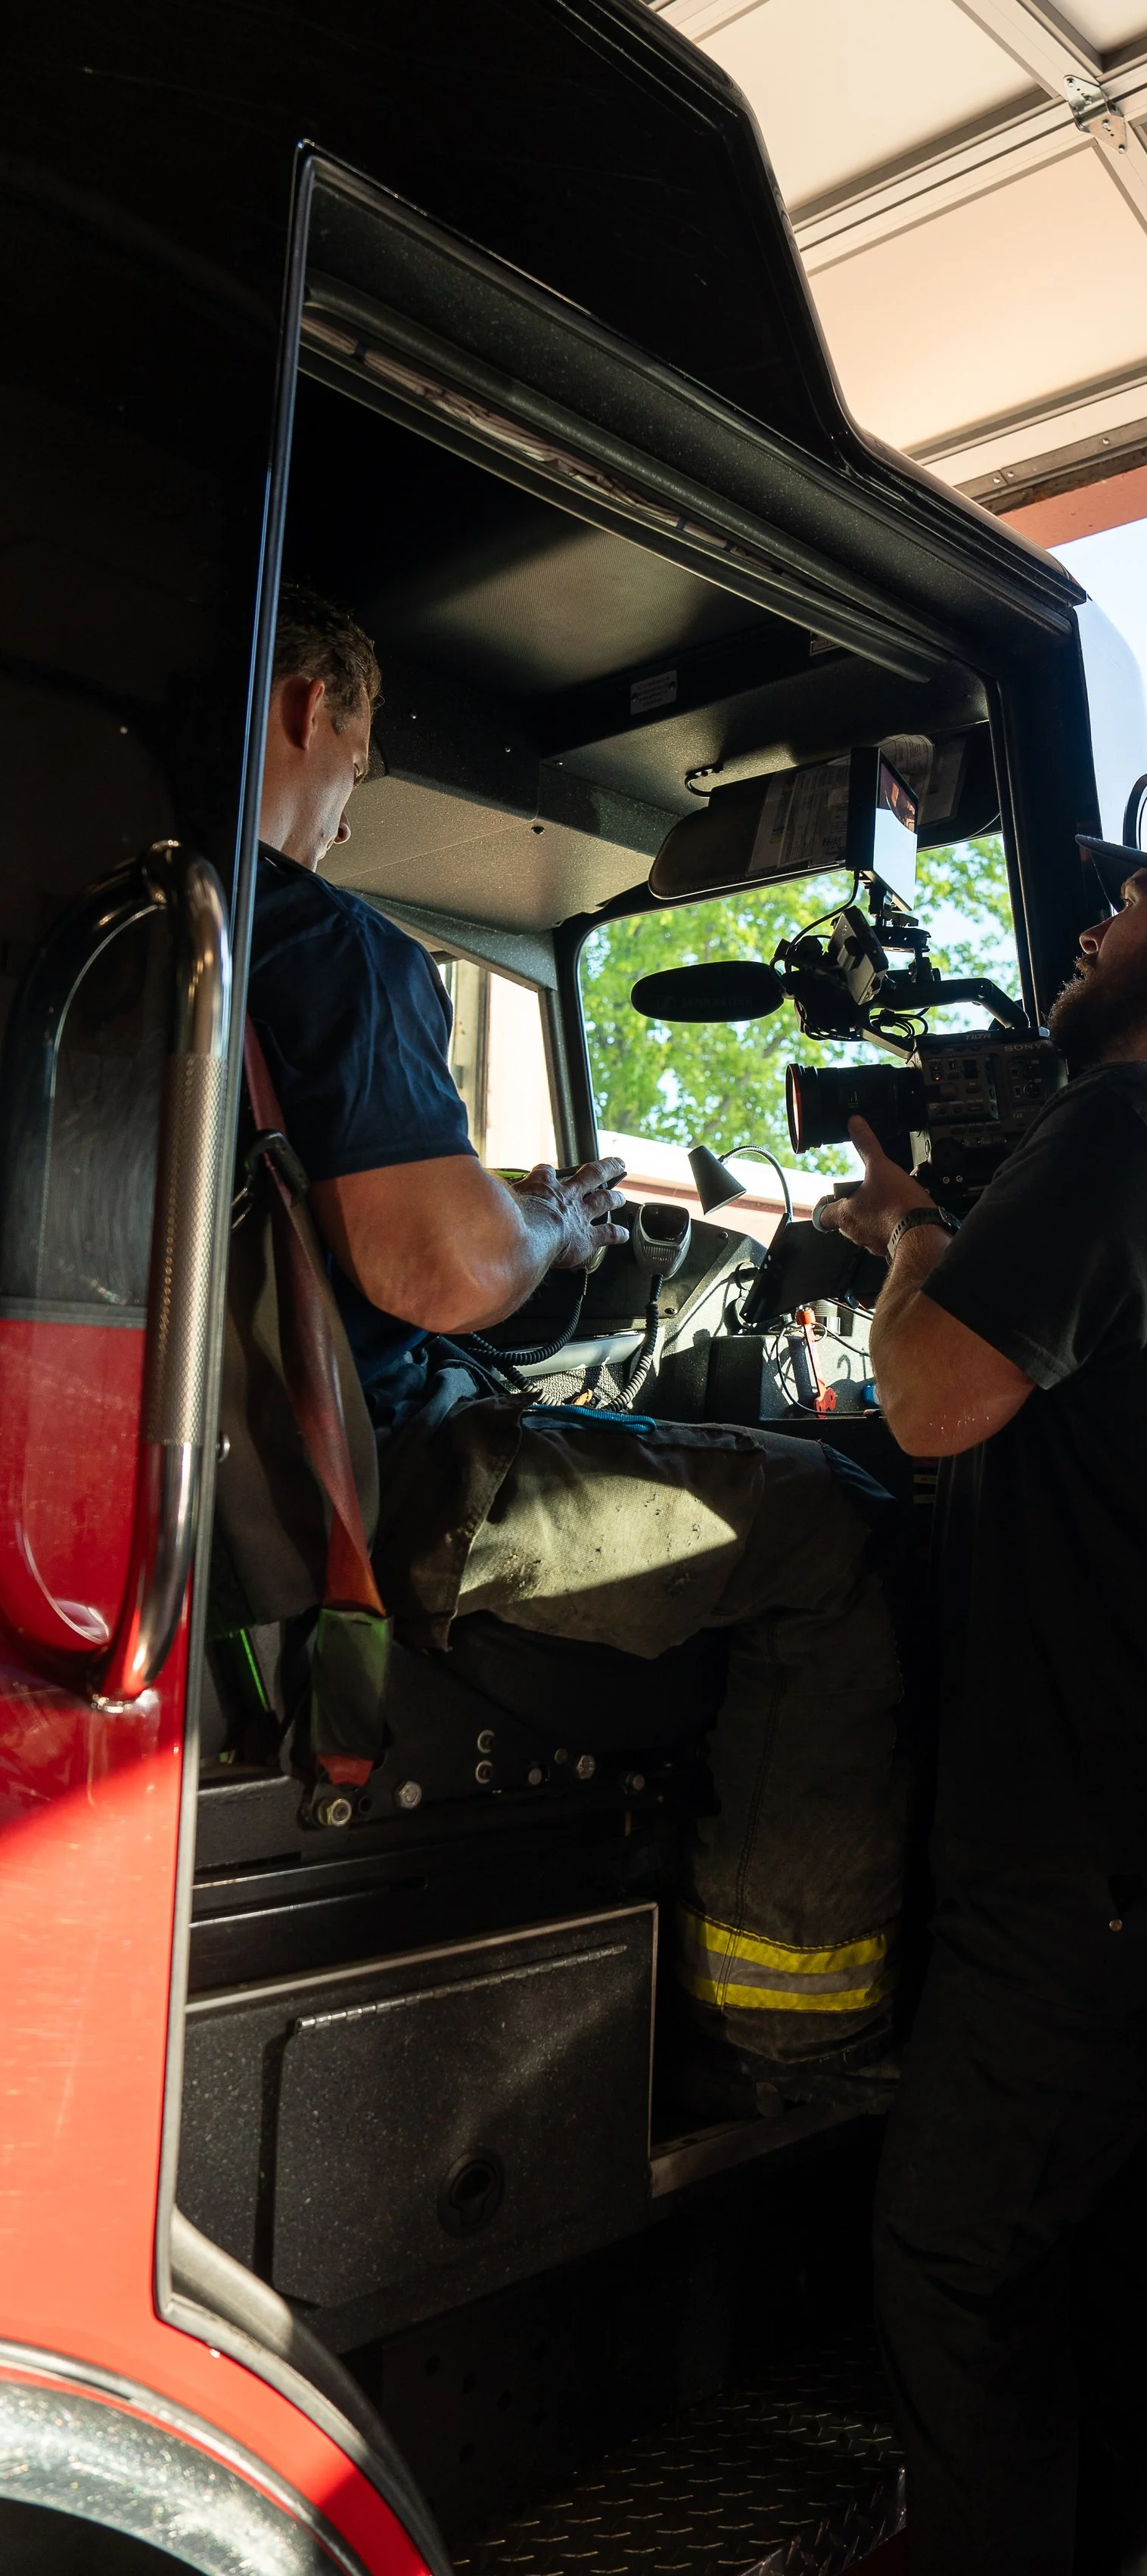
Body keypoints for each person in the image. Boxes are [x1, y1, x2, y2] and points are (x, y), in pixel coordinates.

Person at [240, 585, 906, 2103]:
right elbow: (439, 1265)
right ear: (309, 713)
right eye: (356, 772)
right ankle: (795, 2036)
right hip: (377, 1493)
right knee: (832, 1525)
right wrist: (550, 1226)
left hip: (233, 1483)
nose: (345, 821)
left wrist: (518, 1222)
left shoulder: (137, 936)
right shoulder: (326, 944)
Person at [822, 815, 1147, 2576]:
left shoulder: (1118, 1123)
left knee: (957, 2266)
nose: (1086, 930)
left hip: (1081, 1833)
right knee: (1108, 2255)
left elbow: (928, 1406)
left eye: (1120, 905)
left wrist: (905, 1234)